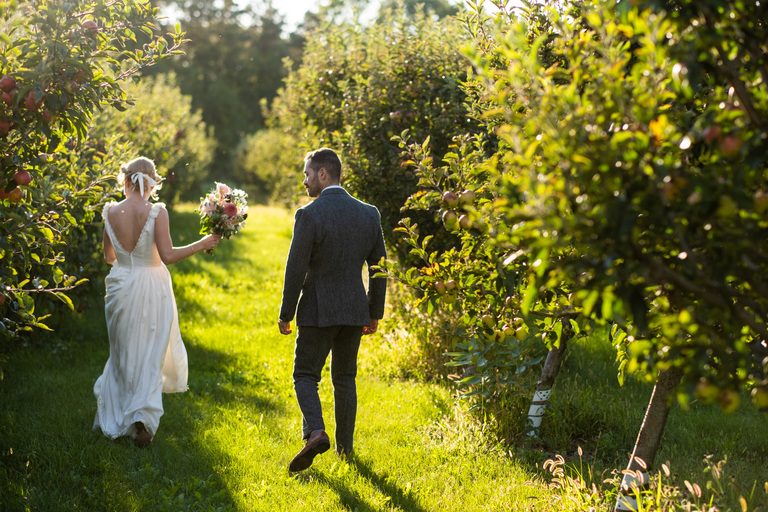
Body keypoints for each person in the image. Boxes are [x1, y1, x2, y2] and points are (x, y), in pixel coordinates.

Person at [93, 156, 221, 448]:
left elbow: (108, 257)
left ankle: (121, 413)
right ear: (150, 182)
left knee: (123, 353)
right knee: (150, 353)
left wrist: (128, 260)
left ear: (125, 180)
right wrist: (202, 243)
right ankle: (142, 420)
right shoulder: (157, 212)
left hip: (120, 286)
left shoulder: (110, 211)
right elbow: (168, 256)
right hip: (152, 285)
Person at [278, 148, 387, 472]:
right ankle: (346, 451)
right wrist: (374, 311)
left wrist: (286, 313)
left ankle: (315, 431)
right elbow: (379, 266)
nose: (305, 180)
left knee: (305, 374)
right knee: (345, 378)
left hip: (318, 309)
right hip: (354, 310)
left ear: (323, 174)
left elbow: (295, 269)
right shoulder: (369, 214)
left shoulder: (309, 214)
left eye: (308, 173)